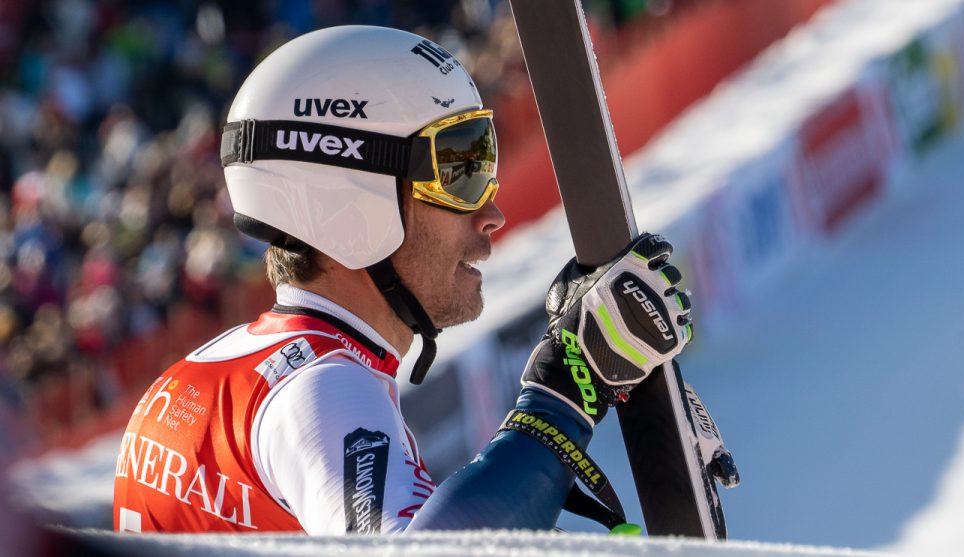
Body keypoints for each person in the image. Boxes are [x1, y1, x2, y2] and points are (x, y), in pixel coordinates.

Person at [112, 25, 696, 535]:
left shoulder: (208, 377)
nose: (492, 212)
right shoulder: (322, 388)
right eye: (459, 170)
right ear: (349, 206)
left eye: (483, 162)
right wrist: (570, 387)